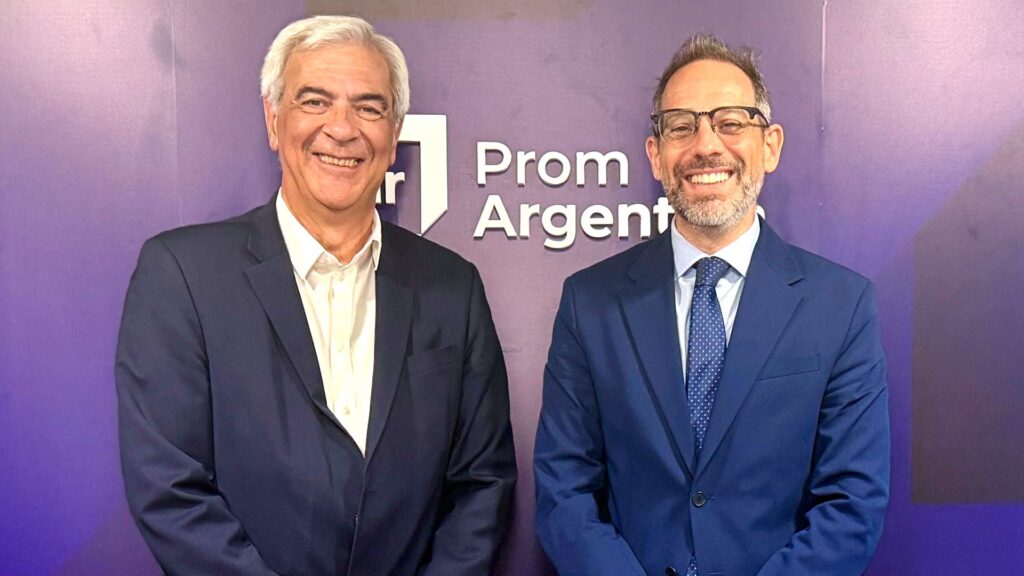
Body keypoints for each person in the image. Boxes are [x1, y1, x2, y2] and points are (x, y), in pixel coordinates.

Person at [115, 15, 515, 576]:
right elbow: (169, 486)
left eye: (369, 107)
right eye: (315, 101)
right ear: (273, 119)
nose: (342, 128)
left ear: (394, 134)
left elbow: (482, 484)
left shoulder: (453, 288)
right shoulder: (182, 275)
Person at [534, 34, 889, 576]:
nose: (706, 145)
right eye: (681, 126)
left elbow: (852, 503)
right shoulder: (591, 303)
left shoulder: (841, 306)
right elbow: (564, 492)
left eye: (730, 122)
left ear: (770, 146)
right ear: (656, 156)